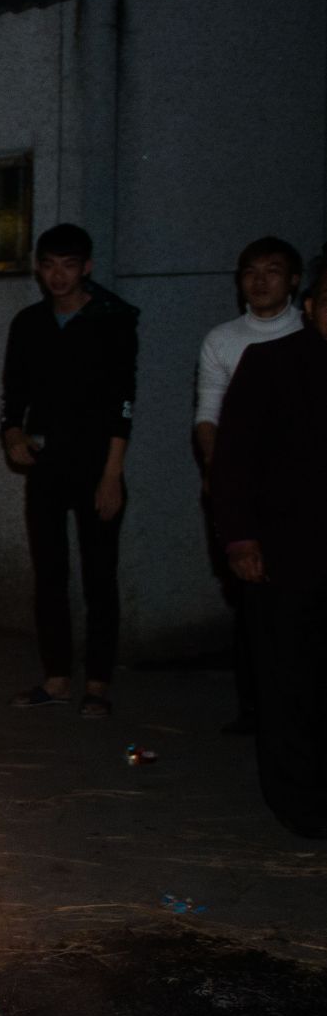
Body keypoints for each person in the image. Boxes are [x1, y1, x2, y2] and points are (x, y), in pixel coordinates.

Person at [1, 223, 137, 719]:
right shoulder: (29, 323)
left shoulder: (112, 319)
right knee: (49, 573)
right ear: (39, 269)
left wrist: (112, 473)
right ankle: (56, 677)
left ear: (87, 267)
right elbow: (14, 393)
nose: (58, 276)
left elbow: (124, 401)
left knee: (100, 575)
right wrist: (12, 434)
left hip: (97, 462)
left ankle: (97, 683)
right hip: (47, 463)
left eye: (69, 265)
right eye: (49, 265)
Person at [210, 265, 327, 838]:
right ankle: (301, 804)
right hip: (286, 555)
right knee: (289, 681)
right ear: (311, 306)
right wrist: (240, 539)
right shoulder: (272, 365)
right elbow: (232, 462)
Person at [193, 236, 304, 734]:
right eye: (250, 272)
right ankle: (255, 705)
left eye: (272, 271)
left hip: (299, 491)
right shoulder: (222, 339)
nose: (260, 281)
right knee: (251, 599)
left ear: (294, 280)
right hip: (246, 489)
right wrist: (220, 474)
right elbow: (208, 415)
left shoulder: (309, 333)